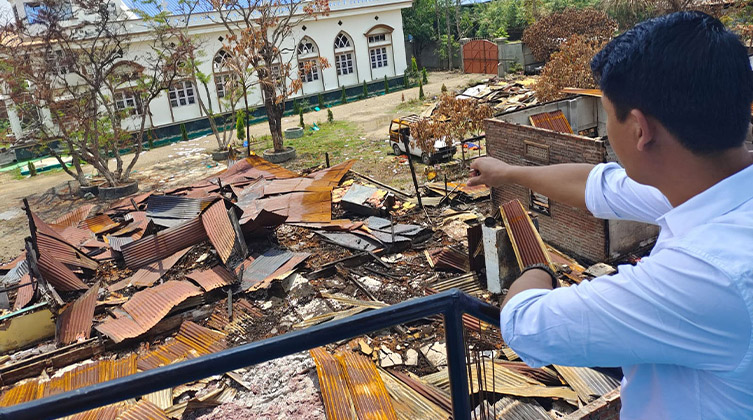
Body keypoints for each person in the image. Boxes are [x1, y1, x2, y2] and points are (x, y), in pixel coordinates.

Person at [467, 11, 753, 420]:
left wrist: (535, 270)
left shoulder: (708, 274)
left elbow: (527, 323)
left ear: (639, 129)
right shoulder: (715, 184)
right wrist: (509, 172)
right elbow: (598, 185)